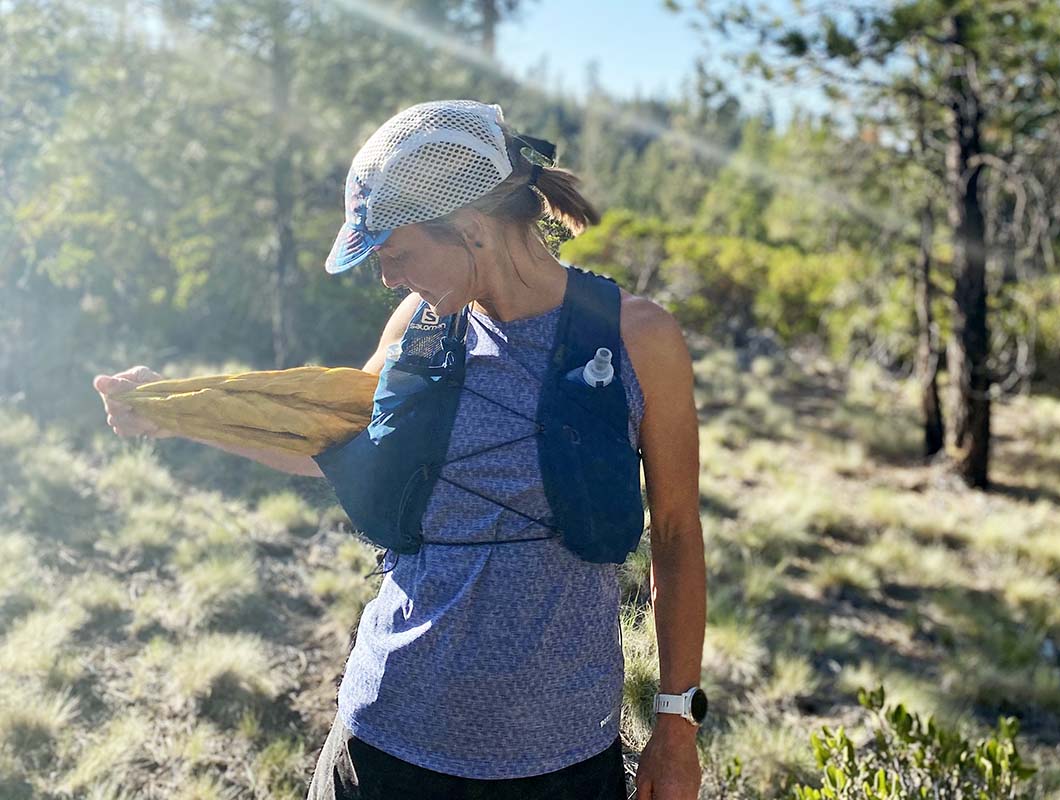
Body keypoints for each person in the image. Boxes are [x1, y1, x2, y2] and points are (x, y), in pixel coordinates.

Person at [94, 99, 706, 800]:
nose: (387, 276)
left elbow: (679, 536)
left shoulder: (636, 339)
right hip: (383, 747)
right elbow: (332, 440)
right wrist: (177, 412)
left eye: (396, 252)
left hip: (560, 761)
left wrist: (677, 725)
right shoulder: (420, 325)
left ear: (471, 230)